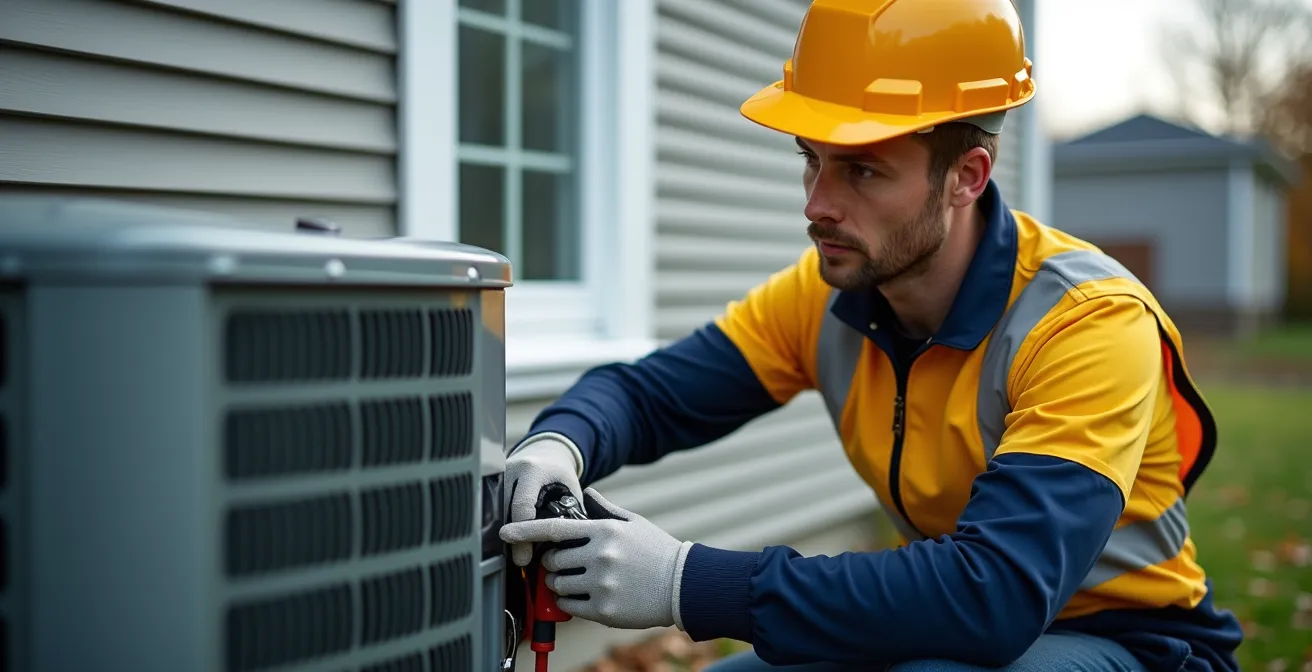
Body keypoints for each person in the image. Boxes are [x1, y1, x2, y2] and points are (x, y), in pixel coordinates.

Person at [498, 0, 1245, 669]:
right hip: (944, 627)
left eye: (861, 172)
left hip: (1134, 643)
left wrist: (687, 582)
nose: (817, 205)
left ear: (968, 175)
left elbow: (995, 595)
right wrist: (560, 443)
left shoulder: (1089, 321)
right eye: (811, 162)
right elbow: (652, 394)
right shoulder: (827, 291)